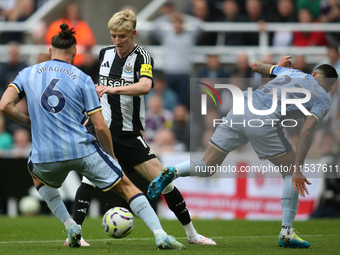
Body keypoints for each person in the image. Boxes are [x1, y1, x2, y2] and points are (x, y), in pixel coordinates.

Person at [0, 23, 185, 250]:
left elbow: (5, 105)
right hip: (82, 150)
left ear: (50, 51)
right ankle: (160, 234)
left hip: (45, 154)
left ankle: (71, 226)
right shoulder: (82, 78)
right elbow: (99, 126)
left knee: (37, 177)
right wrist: (111, 156)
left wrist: (30, 122)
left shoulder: (27, 73)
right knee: (127, 187)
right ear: (75, 53)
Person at [148, 56, 339, 249]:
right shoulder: (323, 99)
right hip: (263, 119)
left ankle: (174, 171)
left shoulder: (292, 72)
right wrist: (299, 168)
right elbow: (306, 131)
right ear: (330, 87)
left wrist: (277, 67)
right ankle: (287, 233)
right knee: (291, 172)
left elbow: (255, 65)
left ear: (314, 73)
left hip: (239, 109)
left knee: (207, 165)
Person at [72, 10, 216, 246]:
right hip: (104, 131)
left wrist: (113, 89)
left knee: (165, 181)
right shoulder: (105, 54)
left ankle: (192, 235)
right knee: (89, 180)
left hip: (129, 135)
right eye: (113, 36)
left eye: (122, 36)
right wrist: (90, 112)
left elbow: (146, 85)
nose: (117, 42)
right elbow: (97, 91)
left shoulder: (143, 57)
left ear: (133, 33)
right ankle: (75, 235)